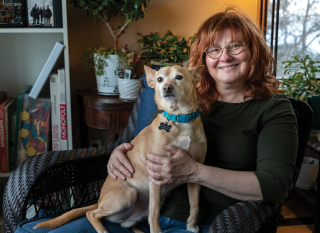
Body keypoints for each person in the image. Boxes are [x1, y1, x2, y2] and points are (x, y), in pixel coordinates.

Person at [107, 7, 298, 233]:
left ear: (254, 51)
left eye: (235, 46)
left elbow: (275, 186)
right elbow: (141, 141)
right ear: (204, 59)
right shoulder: (181, 97)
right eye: (214, 49)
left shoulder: (273, 109)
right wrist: (117, 154)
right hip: (140, 213)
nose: (225, 57)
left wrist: (196, 172)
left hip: (211, 224)